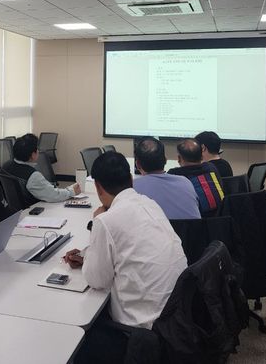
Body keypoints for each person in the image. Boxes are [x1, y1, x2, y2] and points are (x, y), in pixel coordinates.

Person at [63, 152, 186, 364]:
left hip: (141, 333)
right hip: (175, 319)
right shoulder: (149, 203)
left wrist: (97, 224)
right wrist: (90, 254)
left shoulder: (106, 220)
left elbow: (97, 280)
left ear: (98, 187)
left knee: (76, 334)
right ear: (131, 179)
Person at [132, 137, 201, 219]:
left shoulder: (132, 188)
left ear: (138, 164)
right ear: (165, 160)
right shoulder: (186, 183)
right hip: (192, 227)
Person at [2, 133, 80, 203]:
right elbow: (53, 195)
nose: (38, 151)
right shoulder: (33, 176)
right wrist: (71, 191)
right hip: (32, 209)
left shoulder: (5, 165)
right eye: (37, 149)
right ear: (33, 155)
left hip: (14, 210)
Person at [168, 138, 225, 215]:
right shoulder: (211, 168)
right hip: (220, 218)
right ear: (201, 156)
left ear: (179, 158)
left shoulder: (174, 175)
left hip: (196, 220)